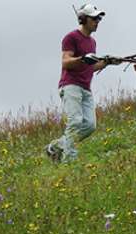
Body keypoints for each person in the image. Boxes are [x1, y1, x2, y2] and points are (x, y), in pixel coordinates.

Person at [46, 4, 120, 163]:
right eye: (94, 18)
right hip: (70, 85)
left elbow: (91, 67)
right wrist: (82, 59)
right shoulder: (71, 37)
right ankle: (69, 162)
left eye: (99, 18)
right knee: (75, 121)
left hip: (86, 88)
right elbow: (66, 62)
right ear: (83, 19)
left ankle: (56, 146)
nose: (97, 21)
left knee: (90, 125)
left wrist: (107, 62)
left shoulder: (92, 42)